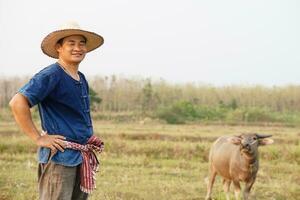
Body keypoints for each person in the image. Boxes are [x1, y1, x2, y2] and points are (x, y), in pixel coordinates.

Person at [9, 21, 104, 200]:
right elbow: (17, 102)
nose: (78, 48)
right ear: (58, 47)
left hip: (80, 156)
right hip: (60, 157)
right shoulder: (51, 75)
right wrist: (38, 137)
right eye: (71, 43)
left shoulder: (80, 77)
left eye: (81, 43)